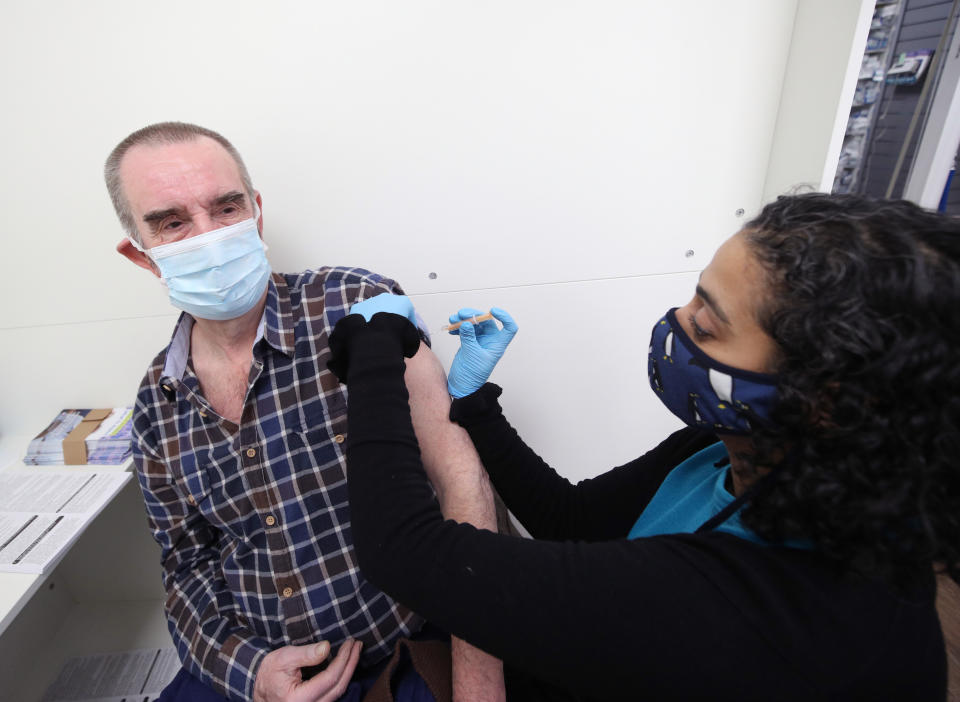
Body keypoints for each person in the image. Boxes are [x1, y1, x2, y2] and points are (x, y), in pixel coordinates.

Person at [325, 193, 959, 700]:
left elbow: (404, 551)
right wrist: (473, 400)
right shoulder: (721, 453)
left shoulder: (770, 608)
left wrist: (375, 349)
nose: (675, 324)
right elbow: (570, 518)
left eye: (707, 326)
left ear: (822, 399)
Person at [104, 122, 506, 702]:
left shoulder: (360, 309)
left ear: (257, 213)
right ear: (140, 255)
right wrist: (249, 674)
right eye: (172, 222)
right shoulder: (156, 404)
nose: (210, 236)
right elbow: (185, 566)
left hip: (402, 648)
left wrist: (478, 690)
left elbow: (462, 487)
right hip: (254, 671)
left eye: (226, 207)